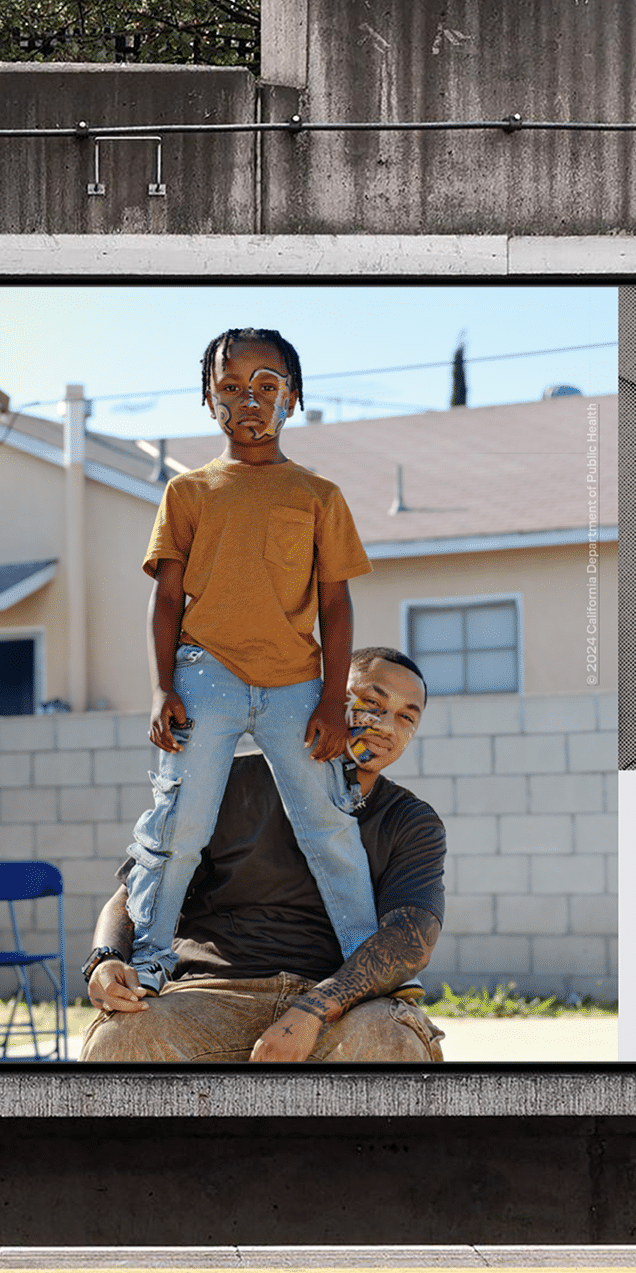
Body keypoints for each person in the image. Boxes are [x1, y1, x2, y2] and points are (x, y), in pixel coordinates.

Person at [121, 328, 378, 992]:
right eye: (230, 388)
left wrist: (330, 699)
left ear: (293, 396)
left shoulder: (318, 496)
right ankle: (148, 963)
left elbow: (336, 605)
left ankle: (370, 971)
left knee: (328, 828)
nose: (250, 401)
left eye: (266, 386)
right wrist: (160, 688)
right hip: (204, 675)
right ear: (208, 402)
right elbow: (166, 599)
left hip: (297, 685)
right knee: (181, 826)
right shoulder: (189, 493)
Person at [81, 648, 446, 1062]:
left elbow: (410, 939)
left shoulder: (411, 821)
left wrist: (312, 1010)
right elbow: (133, 895)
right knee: (119, 1039)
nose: (385, 726)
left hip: (338, 1006)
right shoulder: (228, 783)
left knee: (390, 1039)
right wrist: (104, 958)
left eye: (406, 717)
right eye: (373, 704)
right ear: (328, 699)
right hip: (207, 998)